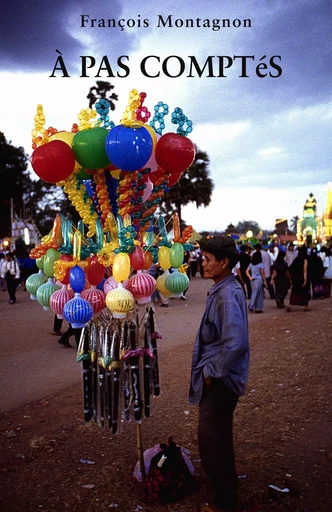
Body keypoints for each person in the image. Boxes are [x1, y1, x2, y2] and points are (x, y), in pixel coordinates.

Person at [189, 235, 250, 512]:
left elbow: (236, 342)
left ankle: (226, 502)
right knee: (212, 439)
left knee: (216, 443)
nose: (203, 263)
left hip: (221, 382)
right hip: (218, 379)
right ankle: (223, 493)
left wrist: (212, 372)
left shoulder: (226, 293)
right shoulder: (223, 288)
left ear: (224, 263)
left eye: (208, 259)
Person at [287, 246, 310, 312]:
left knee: (294, 292)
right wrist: (305, 279)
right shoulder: (305, 259)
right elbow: (304, 269)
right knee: (304, 293)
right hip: (302, 278)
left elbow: (290, 269)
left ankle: (290, 305)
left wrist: (291, 278)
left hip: (296, 278)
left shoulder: (296, 259)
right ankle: (305, 306)